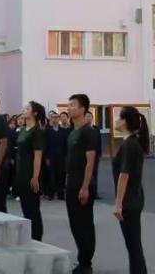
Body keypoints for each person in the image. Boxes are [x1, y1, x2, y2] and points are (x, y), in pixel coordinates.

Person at [112, 106, 149, 274]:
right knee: (133, 245)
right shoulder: (132, 143)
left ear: (126, 121)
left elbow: (124, 176)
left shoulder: (129, 145)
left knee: (133, 246)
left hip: (129, 201)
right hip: (133, 199)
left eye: (119, 118)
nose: (116, 121)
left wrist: (118, 203)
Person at [66, 94, 97, 274]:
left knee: (85, 224)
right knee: (75, 224)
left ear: (83, 108)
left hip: (83, 186)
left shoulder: (88, 132)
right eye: (68, 104)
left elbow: (90, 162)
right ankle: (82, 260)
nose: (69, 108)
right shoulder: (72, 132)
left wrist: (85, 187)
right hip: (71, 184)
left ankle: (86, 263)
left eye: (72, 105)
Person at [16, 102, 46, 241]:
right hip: (21, 172)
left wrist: (35, 177)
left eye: (28, 108)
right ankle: (29, 236)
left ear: (34, 113)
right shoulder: (23, 129)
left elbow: (38, 156)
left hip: (31, 173)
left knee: (33, 209)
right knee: (25, 208)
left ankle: (37, 238)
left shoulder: (37, 131)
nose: (24, 110)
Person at [45, 112, 66, 200]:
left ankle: (60, 194)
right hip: (51, 156)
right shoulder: (47, 131)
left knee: (61, 175)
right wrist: (46, 157)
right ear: (50, 119)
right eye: (53, 117)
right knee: (51, 175)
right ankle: (51, 194)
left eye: (57, 117)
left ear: (59, 119)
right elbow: (45, 145)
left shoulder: (63, 131)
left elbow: (65, 144)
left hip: (61, 157)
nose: (55, 119)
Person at [86, 112, 103, 199]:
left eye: (90, 116)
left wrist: (99, 153)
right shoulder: (83, 129)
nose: (88, 118)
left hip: (95, 156)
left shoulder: (96, 129)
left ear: (92, 118)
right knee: (86, 174)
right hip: (85, 156)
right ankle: (87, 191)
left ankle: (95, 193)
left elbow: (99, 141)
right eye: (87, 116)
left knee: (94, 174)